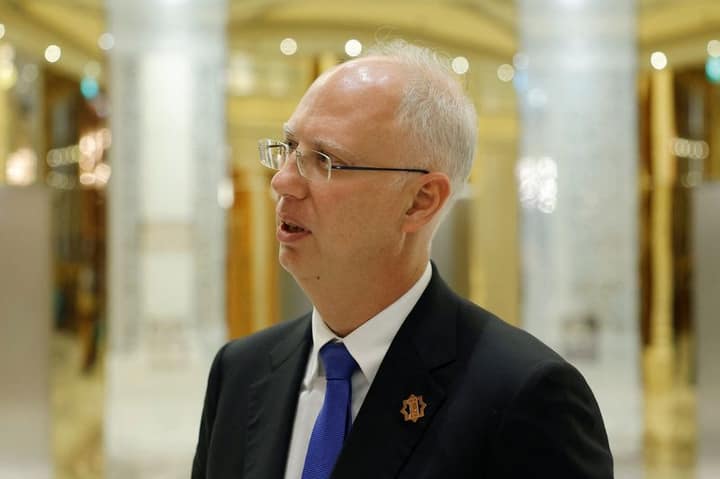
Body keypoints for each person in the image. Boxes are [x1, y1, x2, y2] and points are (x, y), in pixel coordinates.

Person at [192, 40, 613, 479]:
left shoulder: (524, 396)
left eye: (325, 160)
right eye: (289, 147)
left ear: (420, 201)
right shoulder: (240, 373)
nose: (282, 181)